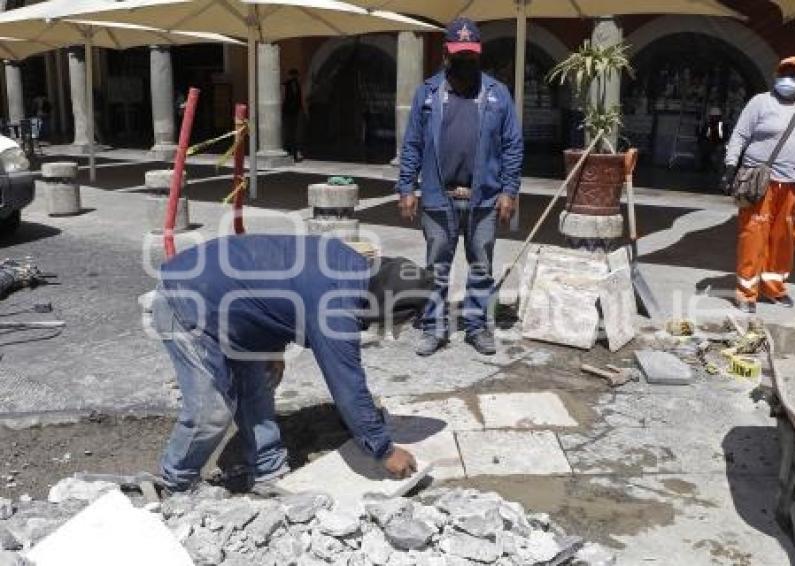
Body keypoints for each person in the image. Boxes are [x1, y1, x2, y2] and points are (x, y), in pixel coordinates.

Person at [145, 234, 419, 493]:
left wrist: (273, 347)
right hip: (187, 301)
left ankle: (267, 470)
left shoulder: (352, 266)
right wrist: (384, 450)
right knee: (212, 411)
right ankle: (177, 483)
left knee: (257, 389)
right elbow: (347, 384)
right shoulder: (334, 307)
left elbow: (282, 290)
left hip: (231, 307)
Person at [396, 17, 523, 357]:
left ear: (478, 53)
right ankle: (434, 327)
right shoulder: (428, 93)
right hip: (440, 197)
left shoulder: (498, 94)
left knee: (481, 266)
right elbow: (412, 144)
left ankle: (476, 327)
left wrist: (509, 191)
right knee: (436, 268)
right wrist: (406, 187)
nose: (465, 59)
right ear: (446, 53)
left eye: (470, 54)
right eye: (459, 53)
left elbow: (513, 145)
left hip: (484, 199)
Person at [720, 56, 795, 313]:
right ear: (776, 75)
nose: (789, 78)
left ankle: (774, 288)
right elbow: (740, 135)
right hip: (759, 182)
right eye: (785, 72)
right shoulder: (760, 102)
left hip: (794, 185)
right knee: (753, 234)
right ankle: (747, 292)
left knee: (785, 238)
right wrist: (730, 167)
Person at [283, 69, 305, 162]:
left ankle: (293, 153)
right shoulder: (287, 85)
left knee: (294, 134)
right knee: (290, 133)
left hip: (294, 111)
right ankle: (291, 153)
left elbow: (299, 99)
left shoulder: (296, 85)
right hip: (289, 112)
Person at [698, 107, 726, 172]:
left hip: (718, 144)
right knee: (702, 148)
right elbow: (703, 136)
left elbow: (722, 137)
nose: (714, 118)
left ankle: (715, 168)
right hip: (708, 144)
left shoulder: (721, 125)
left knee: (719, 150)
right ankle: (703, 167)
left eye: (716, 117)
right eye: (713, 117)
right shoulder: (708, 125)